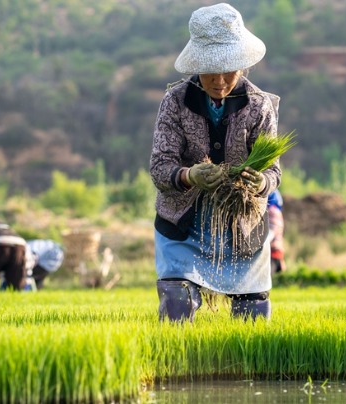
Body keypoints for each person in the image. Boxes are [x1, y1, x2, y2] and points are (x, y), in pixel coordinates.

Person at [149, 3, 281, 322]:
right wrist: (190, 175)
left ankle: (250, 370)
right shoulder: (176, 102)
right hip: (184, 221)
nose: (220, 80)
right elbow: (160, 168)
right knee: (177, 304)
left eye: (229, 69)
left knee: (252, 309)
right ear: (198, 65)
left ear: (243, 65)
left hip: (241, 224)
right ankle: (178, 366)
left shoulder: (260, 106)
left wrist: (260, 182)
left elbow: (273, 172)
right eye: (211, 70)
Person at [267, 190, 287, 273]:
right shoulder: (276, 212)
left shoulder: (272, 211)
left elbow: (272, 232)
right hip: (275, 253)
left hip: (272, 253)